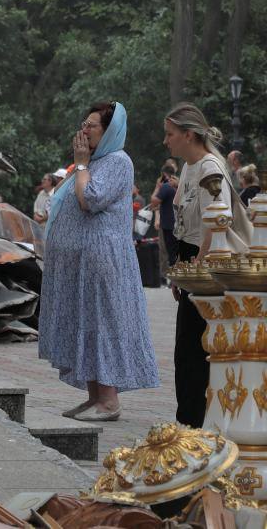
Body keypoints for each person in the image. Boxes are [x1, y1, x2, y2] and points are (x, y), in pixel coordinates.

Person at [40, 101, 159, 421]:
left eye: (91, 125)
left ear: (110, 131)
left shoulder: (117, 161)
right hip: (84, 263)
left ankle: (109, 401)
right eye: (84, 123)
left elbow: (89, 199)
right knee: (87, 324)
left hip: (103, 259)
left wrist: (80, 165)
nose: (84, 130)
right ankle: (94, 397)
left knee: (102, 324)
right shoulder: (96, 160)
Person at [164, 102, 250, 428]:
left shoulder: (209, 168)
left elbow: (216, 226)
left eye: (170, 134)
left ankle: (196, 426)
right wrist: (180, 270)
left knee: (198, 351)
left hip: (209, 267)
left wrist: (195, 272)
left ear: (188, 134)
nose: (166, 141)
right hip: (192, 261)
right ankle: (188, 423)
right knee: (187, 351)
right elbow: (187, 227)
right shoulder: (189, 166)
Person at [150, 163, 179, 275]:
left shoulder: (166, 187)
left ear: (164, 175)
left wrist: (157, 187)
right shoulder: (177, 185)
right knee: (176, 252)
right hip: (177, 223)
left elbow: (154, 201)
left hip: (168, 225)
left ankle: (172, 276)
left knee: (169, 252)